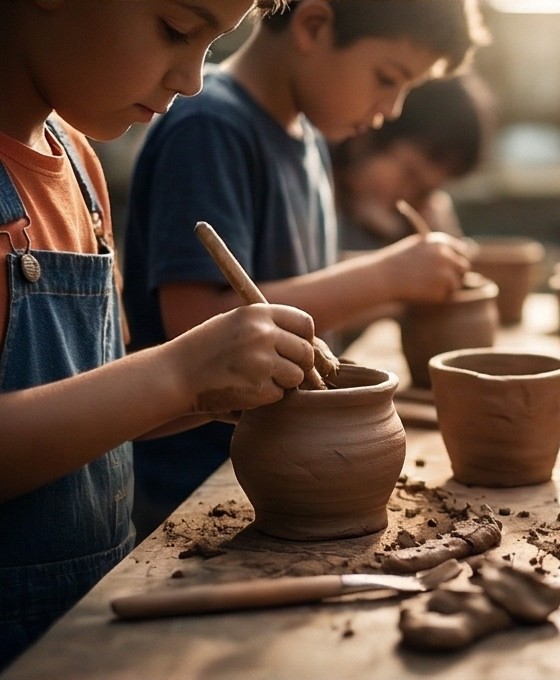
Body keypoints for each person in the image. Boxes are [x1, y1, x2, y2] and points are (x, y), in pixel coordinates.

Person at [0, 0, 321, 669]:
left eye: (212, 47)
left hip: (89, 626)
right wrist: (175, 373)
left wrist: (200, 394)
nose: (194, 80)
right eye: (178, 30)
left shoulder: (80, 167)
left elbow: (84, 408)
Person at [122, 0, 490, 540]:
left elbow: (286, 278)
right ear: (313, 25)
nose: (391, 109)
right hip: (200, 490)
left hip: (289, 474)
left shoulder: (307, 132)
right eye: (388, 79)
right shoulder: (210, 127)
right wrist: (384, 277)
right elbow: (199, 327)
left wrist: (400, 282)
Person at [331, 72, 495, 252]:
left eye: (426, 192)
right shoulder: (312, 187)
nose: (409, 196)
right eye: (410, 176)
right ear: (366, 138)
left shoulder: (413, 226)